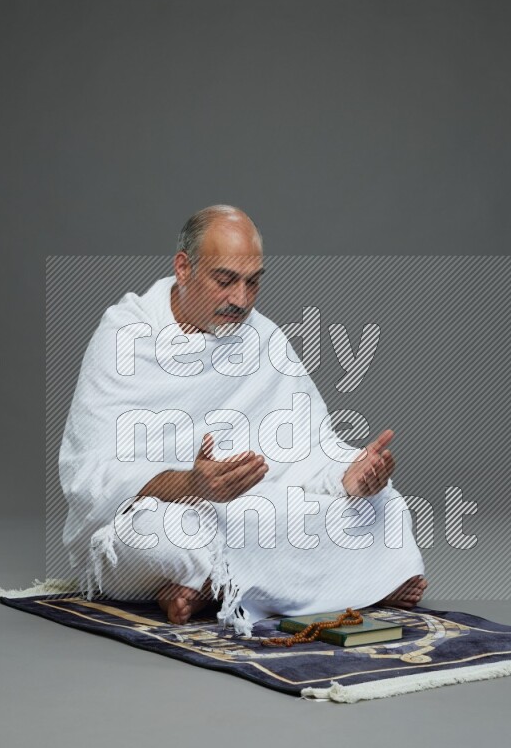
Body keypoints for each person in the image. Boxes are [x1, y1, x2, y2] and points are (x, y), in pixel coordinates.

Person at [59, 205, 427, 636]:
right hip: (161, 514)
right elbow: (88, 476)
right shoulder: (125, 335)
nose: (241, 300)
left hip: (250, 512)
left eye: (253, 282)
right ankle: (345, 584)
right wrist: (189, 485)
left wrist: (350, 475)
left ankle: (210, 587)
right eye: (225, 280)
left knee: (385, 504)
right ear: (184, 268)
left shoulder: (262, 336)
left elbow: (310, 449)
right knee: (160, 532)